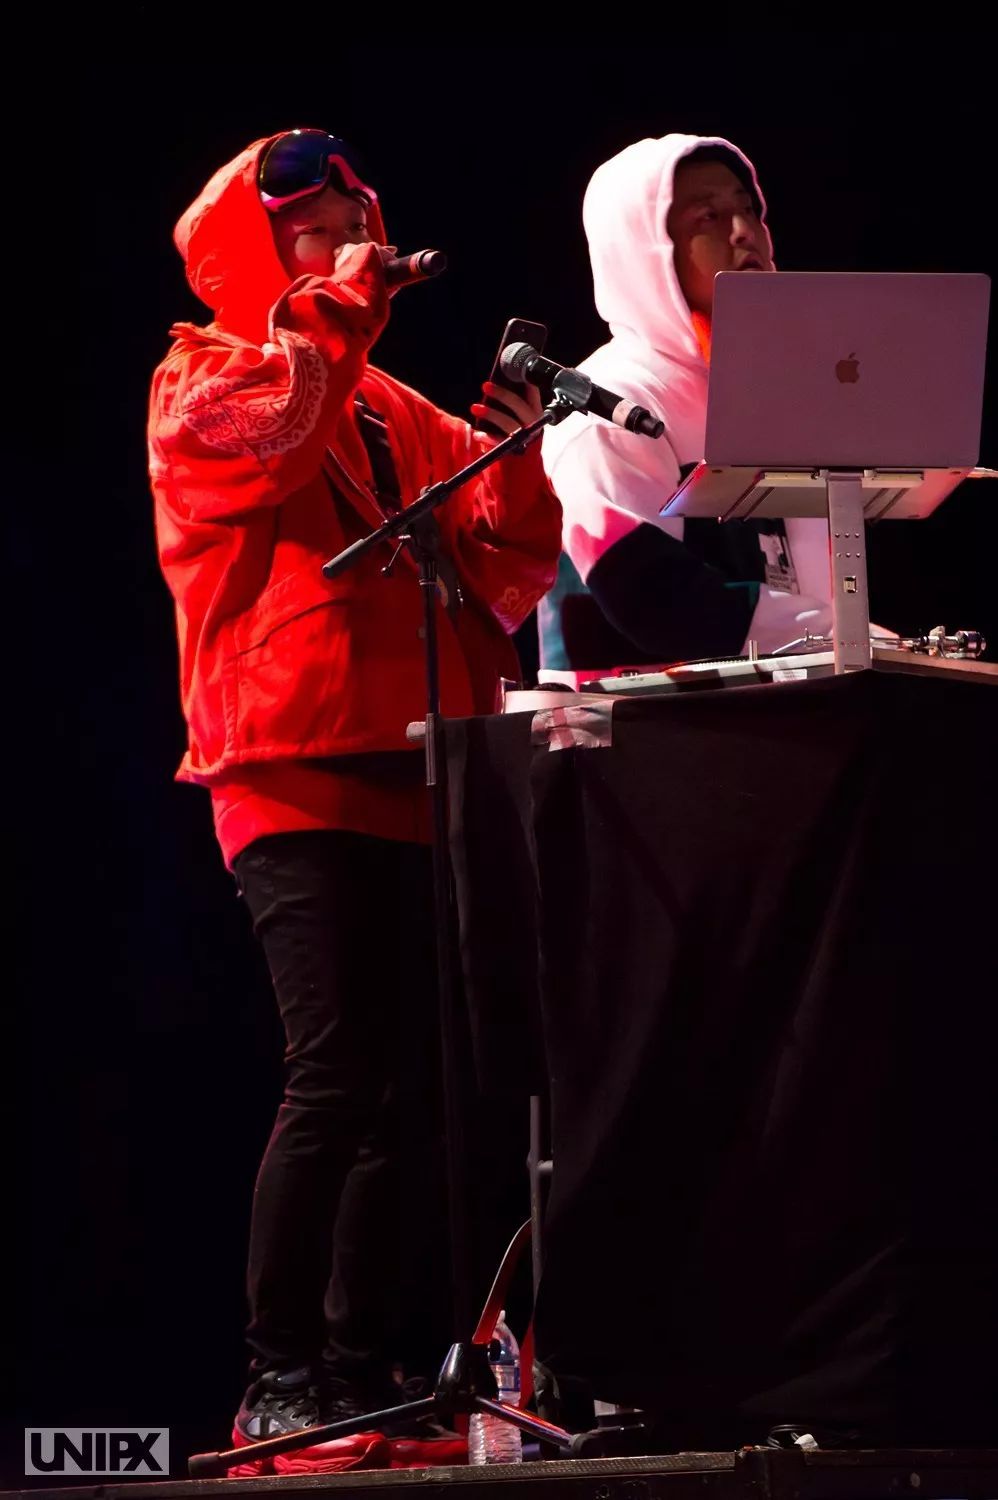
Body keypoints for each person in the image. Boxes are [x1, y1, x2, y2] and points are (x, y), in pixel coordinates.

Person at [147, 128, 561, 1452]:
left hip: (412, 758)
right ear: (251, 254)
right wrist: (336, 313)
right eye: (310, 235)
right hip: (286, 765)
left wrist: (516, 451)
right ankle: (274, 1376)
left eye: (350, 225)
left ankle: (357, 1365)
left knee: (401, 1095)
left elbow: (500, 556)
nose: (344, 249)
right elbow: (270, 444)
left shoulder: (389, 403)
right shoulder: (199, 378)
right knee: (334, 1075)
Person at [539, 133, 863, 675]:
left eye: (748, 209)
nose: (744, 231)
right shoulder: (606, 401)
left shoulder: (773, 396)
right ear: (643, 252)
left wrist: (849, 642)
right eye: (708, 217)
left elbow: (815, 588)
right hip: (636, 717)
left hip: (785, 701)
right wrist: (842, 637)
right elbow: (653, 598)